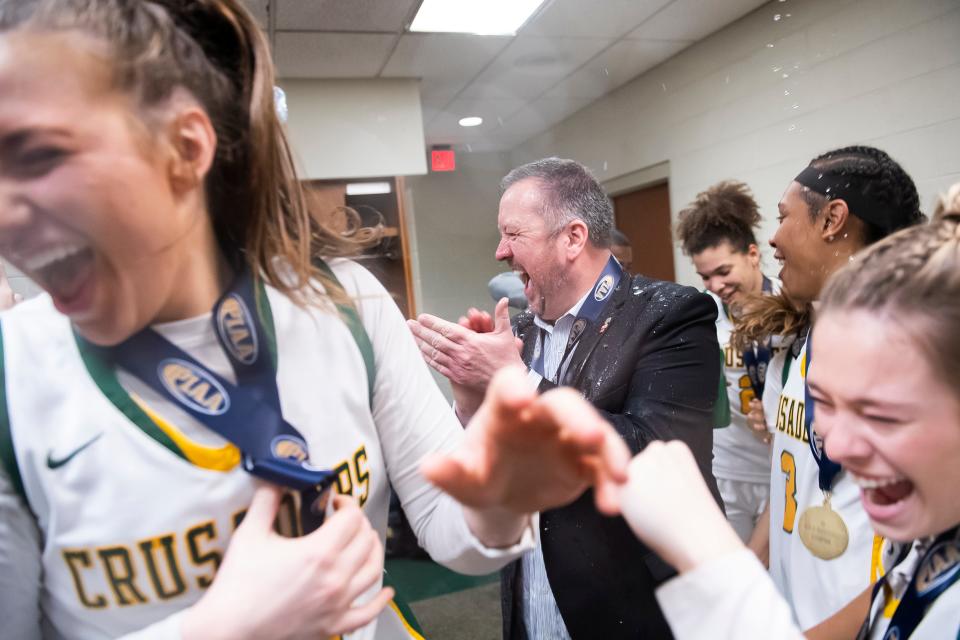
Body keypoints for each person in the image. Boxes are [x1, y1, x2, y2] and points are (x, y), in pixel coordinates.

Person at [0, 3, 631, 639]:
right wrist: (226, 628)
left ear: (185, 149)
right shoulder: (12, 376)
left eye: (38, 155)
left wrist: (500, 491)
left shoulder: (345, 304)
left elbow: (450, 522)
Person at [616, 199, 960, 639]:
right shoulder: (922, 547)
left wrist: (709, 556)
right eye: (824, 403)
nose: (835, 447)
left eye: (883, 416)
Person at [408, 157, 722, 639]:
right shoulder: (521, 331)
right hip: (533, 607)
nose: (499, 252)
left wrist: (518, 382)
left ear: (573, 238)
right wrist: (474, 401)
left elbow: (656, 455)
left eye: (514, 234)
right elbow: (497, 474)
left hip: (629, 614)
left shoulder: (672, 315)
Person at [732, 146, 925, 633]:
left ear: (832, 219)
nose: (772, 239)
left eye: (783, 217)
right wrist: (743, 576)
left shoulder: (918, 362)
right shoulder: (799, 347)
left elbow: (919, 564)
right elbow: (789, 480)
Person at [675, 180, 781, 550]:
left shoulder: (790, 305)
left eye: (723, 271)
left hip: (781, 470)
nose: (715, 285)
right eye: (705, 276)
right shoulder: (702, 315)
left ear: (752, 254)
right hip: (727, 470)